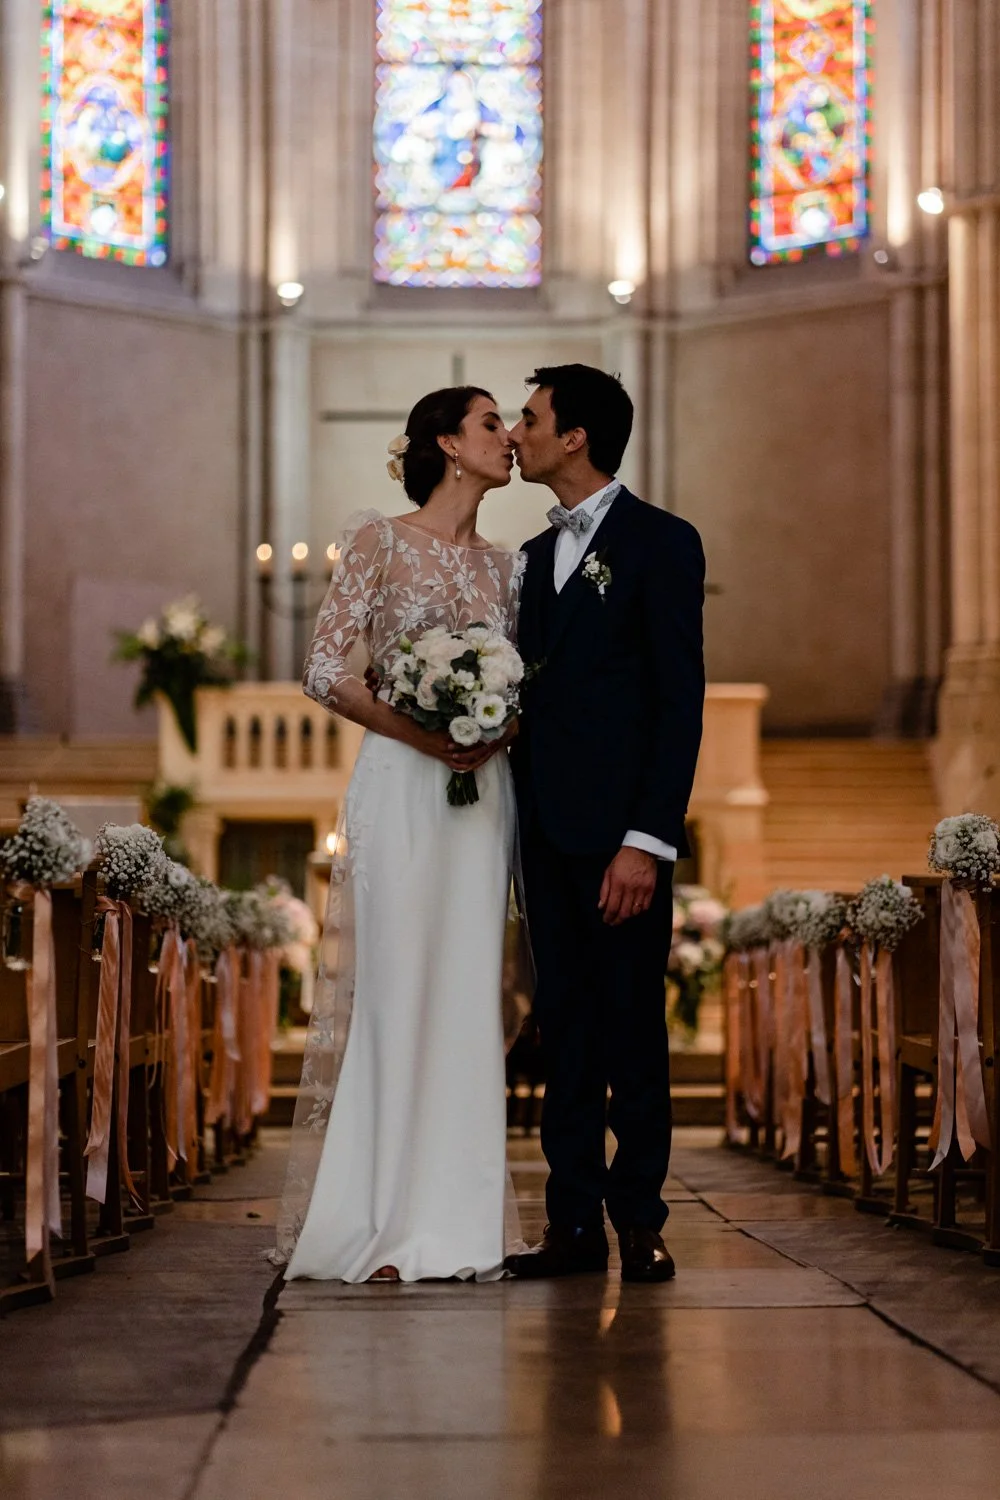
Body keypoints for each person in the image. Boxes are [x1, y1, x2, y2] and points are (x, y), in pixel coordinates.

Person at [273, 386, 523, 1283]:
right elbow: (323, 670)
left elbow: (527, 684)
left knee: (467, 993)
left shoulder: (508, 568)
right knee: (396, 987)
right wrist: (425, 733)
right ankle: (375, 1221)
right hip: (403, 783)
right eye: (494, 424)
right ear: (449, 445)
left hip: (482, 794)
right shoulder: (380, 542)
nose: (510, 439)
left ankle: (460, 1224)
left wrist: (497, 728)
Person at [505, 364, 705, 1283]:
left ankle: (641, 1222)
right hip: (544, 836)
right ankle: (573, 1225)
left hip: (621, 841)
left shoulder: (662, 542)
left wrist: (647, 841)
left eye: (532, 416)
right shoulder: (529, 559)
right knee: (567, 1030)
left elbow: (678, 702)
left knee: (632, 1031)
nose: (518, 431)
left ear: (576, 436)